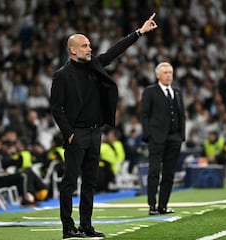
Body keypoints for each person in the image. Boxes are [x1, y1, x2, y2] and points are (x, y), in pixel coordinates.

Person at [50, 13, 158, 239]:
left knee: (90, 182)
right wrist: (68, 133)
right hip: (76, 135)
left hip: (94, 132)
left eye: (89, 45)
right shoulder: (62, 76)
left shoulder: (95, 65)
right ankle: (68, 228)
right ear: (73, 50)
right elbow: (56, 107)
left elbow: (115, 51)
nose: (89, 48)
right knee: (70, 182)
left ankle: (86, 225)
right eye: (84, 45)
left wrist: (138, 32)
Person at [141, 62, 186, 215]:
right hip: (157, 138)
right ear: (157, 75)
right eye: (165, 72)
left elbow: (181, 115)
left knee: (169, 173)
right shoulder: (150, 91)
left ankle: (163, 205)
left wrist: (181, 136)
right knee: (154, 171)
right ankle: (152, 205)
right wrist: (148, 135)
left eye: (170, 72)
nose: (168, 75)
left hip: (174, 138)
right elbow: (144, 114)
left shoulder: (177, 92)